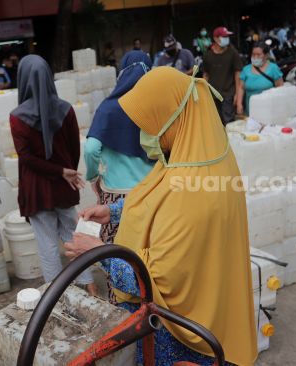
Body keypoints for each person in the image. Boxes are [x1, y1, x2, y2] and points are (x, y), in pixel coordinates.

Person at [65, 67, 257, 365]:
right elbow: (159, 200)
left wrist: (97, 252)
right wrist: (114, 211)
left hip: (177, 336)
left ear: (174, 118)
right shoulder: (203, 160)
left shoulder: (191, 195)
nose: (146, 134)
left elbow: (155, 282)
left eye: (151, 124)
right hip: (215, 304)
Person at [10, 55, 97, 296]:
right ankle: (89, 285)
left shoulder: (17, 117)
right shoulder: (66, 110)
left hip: (36, 190)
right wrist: (64, 170)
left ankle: (56, 297)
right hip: (63, 186)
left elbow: (25, 158)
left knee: (47, 244)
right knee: (73, 236)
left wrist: (57, 171)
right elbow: (73, 148)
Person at [84, 51, 155, 245]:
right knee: (148, 251)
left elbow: (91, 148)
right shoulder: (157, 107)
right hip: (152, 191)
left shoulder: (108, 108)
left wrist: (92, 176)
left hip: (115, 194)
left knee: (118, 252)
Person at [202, 26, 243, 125]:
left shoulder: (232, 52)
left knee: (228, 122)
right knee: (215, 122)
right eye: (224, 36)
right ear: (216, 38)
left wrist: (237, 95)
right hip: (212, 94)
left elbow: (238, 74)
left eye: (227, 36)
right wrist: (204, 93)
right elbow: (205, 75)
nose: (226, 39)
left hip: (228, 93)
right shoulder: (208, 54)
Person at [237, 42, 285, 115]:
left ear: (266, 55)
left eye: (259, 55)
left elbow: (280, 88)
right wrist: (239, 104)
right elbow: (241, 87)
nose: (255, 57)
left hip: (270, 112)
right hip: (251, 112)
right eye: (253, 54)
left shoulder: (273, 68)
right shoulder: (246, 69)